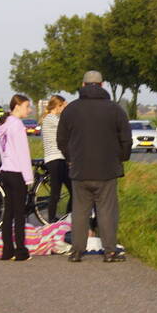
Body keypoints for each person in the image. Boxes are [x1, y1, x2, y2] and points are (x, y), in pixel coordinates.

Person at [56, 70, 131, 263]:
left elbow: (61, 140)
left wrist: (70, 158)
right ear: (102, 85)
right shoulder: (115, 109)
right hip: (107, 170)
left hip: (80, 170)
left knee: (80, 211)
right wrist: (120, 158)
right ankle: (109, 252)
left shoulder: (71, 109)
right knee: (106, 211)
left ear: (82, 85)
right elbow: (126, 139)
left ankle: (77, 252)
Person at [0, 94, 34, 261]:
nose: (30, 109)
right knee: (19, 214)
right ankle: (20, 251)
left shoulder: (3, 123)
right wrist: (29, 177)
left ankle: (7, 250)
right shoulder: (17, 125)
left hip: (5, 170)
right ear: (17, 106)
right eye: (27, 106)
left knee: (8, 212)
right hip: (17, 172)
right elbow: (23, 153)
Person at [40, 94, 72, 223]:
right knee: (56, 192)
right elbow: (67, 127)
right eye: (63, 106)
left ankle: (67, 216)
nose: (64, 109)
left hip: (59, 158)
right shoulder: (50, 118)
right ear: (58, 105)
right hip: (55, 159)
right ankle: (52, 219)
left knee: (70, 190)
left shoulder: (52, 118)